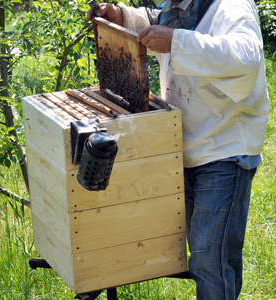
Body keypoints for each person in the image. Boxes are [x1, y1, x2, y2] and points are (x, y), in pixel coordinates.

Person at [87, 0, 269, 299]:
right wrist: (121, 16)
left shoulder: (231, 7)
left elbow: (246, 57)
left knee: (209, 256)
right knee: (219, 252)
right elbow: (160, 20)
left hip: (225, 146)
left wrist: (176, 42)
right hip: (185, 143)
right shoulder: (181, 5)